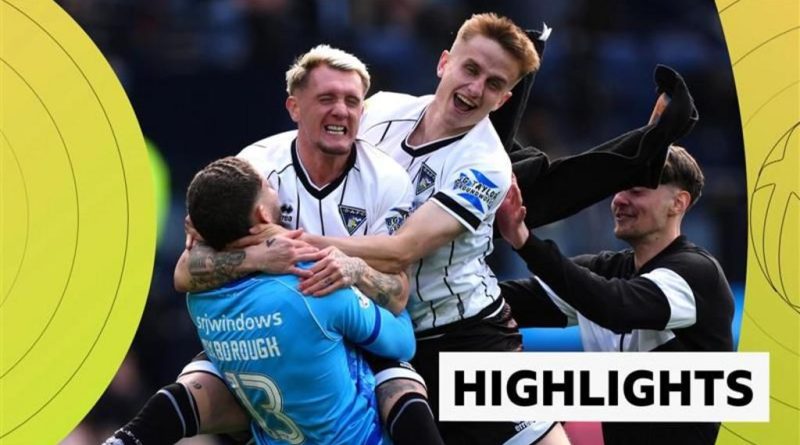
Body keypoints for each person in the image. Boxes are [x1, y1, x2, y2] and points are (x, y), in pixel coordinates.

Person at [105, 45, 442, 445]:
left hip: (347, 324)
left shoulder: (387, 180)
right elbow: (185, 270)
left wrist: (352, 269)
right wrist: (260, 256)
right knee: (199, 381)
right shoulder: (255, 167)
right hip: (287, 324)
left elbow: (398, 291)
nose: (341, 110)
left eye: (352, 101)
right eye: (327, 98)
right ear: (294, 107)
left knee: (399, 382)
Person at [496, 145, 735, 445]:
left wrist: (525, 241)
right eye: (618, 188)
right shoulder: (604, 272)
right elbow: (505, 303)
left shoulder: (697, 274)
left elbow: (614, 306)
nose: (619, 199)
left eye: (635, 190)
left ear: (678, 203)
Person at [183, 156, 417, 445]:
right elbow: (403, 343)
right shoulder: (317, 283)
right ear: (262, 214)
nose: (278, 191)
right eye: (270, 187)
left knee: (194, 383)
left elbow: (184, 272)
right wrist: (363, 272)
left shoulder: (199, 300)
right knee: (399, 378)